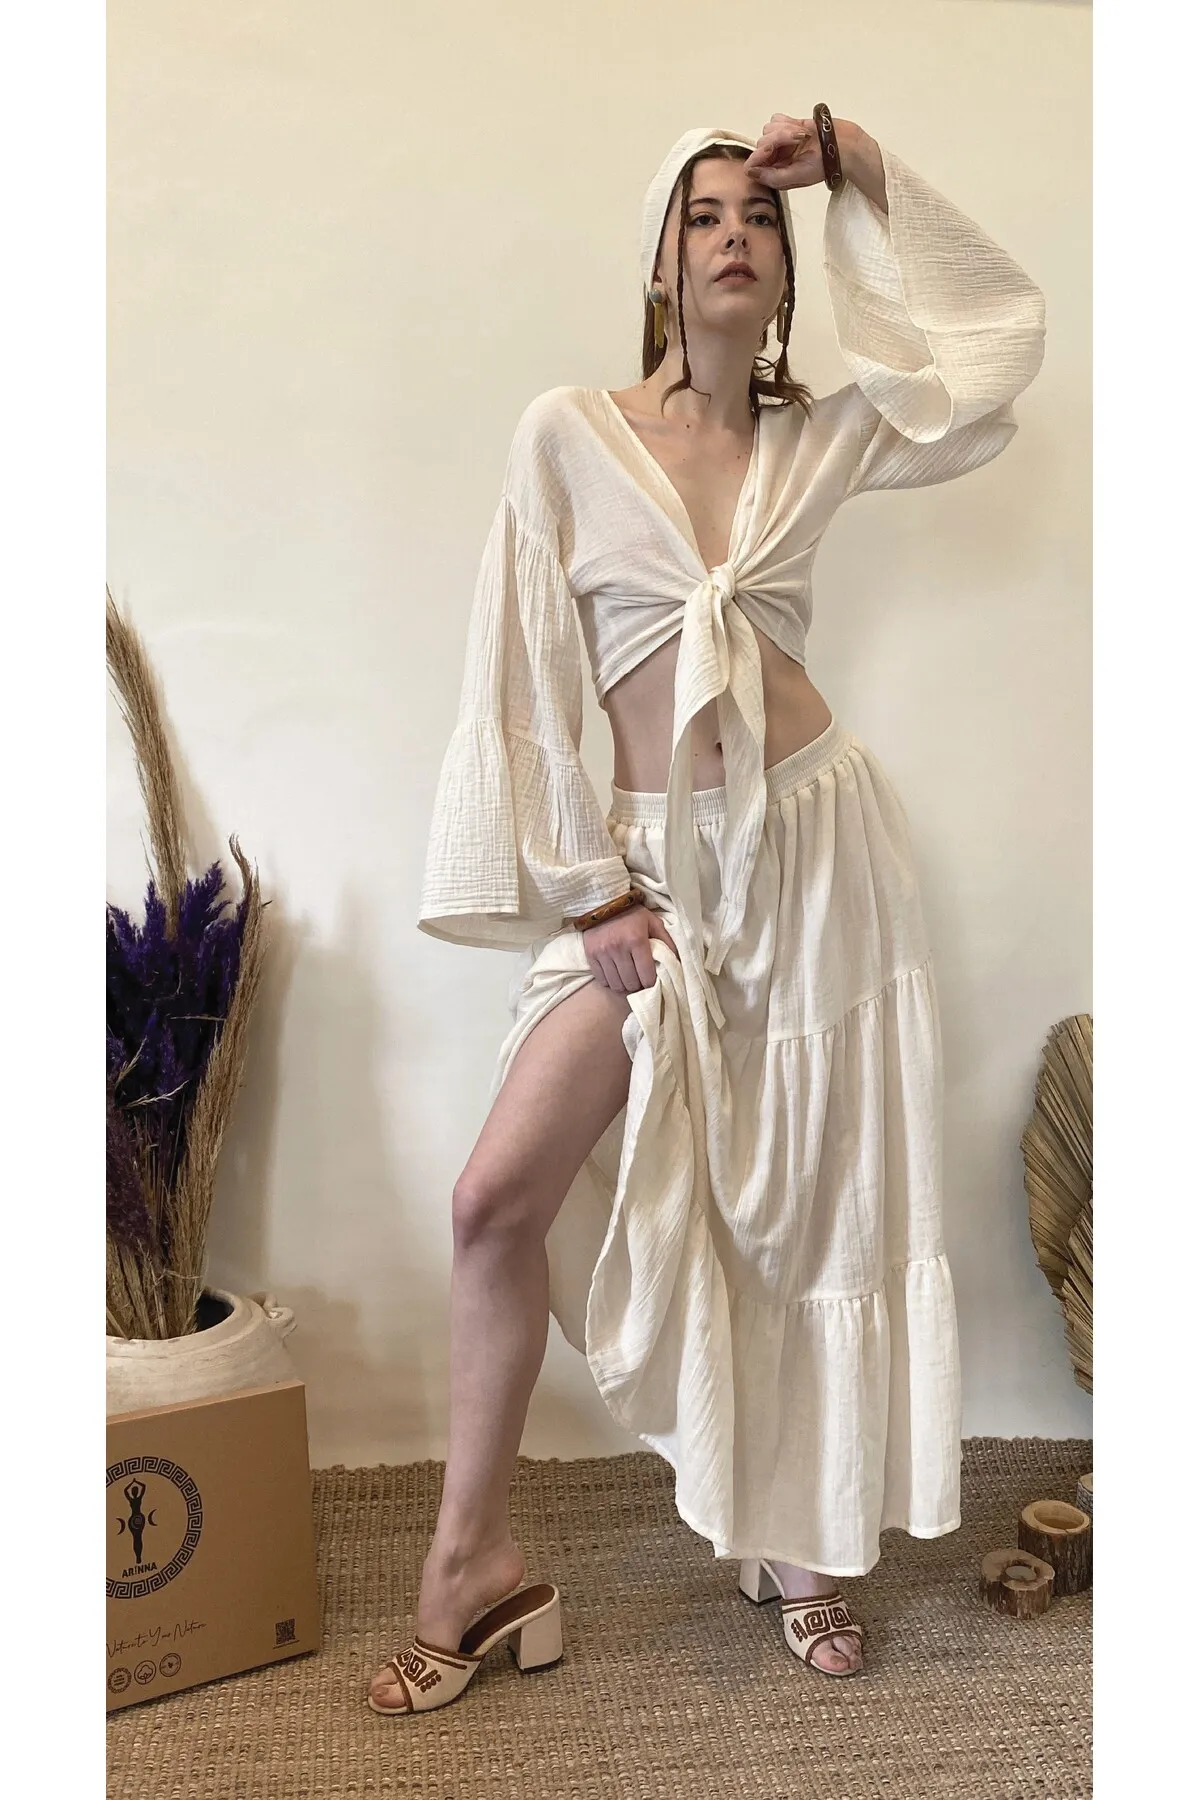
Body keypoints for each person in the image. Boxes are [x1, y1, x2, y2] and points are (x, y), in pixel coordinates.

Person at [368, 109, 1045, 1715]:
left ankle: (797, 1541)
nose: (734, 233)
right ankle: (472, 1562)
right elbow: (523, 672)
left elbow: (992, 355)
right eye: (703, 214)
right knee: (494, 1200)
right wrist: (592, 889)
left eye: (756, 216)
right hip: (641, 872)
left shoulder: (826, 439)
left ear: (786, 273)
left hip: (813, 854)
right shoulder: (568, 434)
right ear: (660, 264)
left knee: (804, 1205)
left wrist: (862, 169)